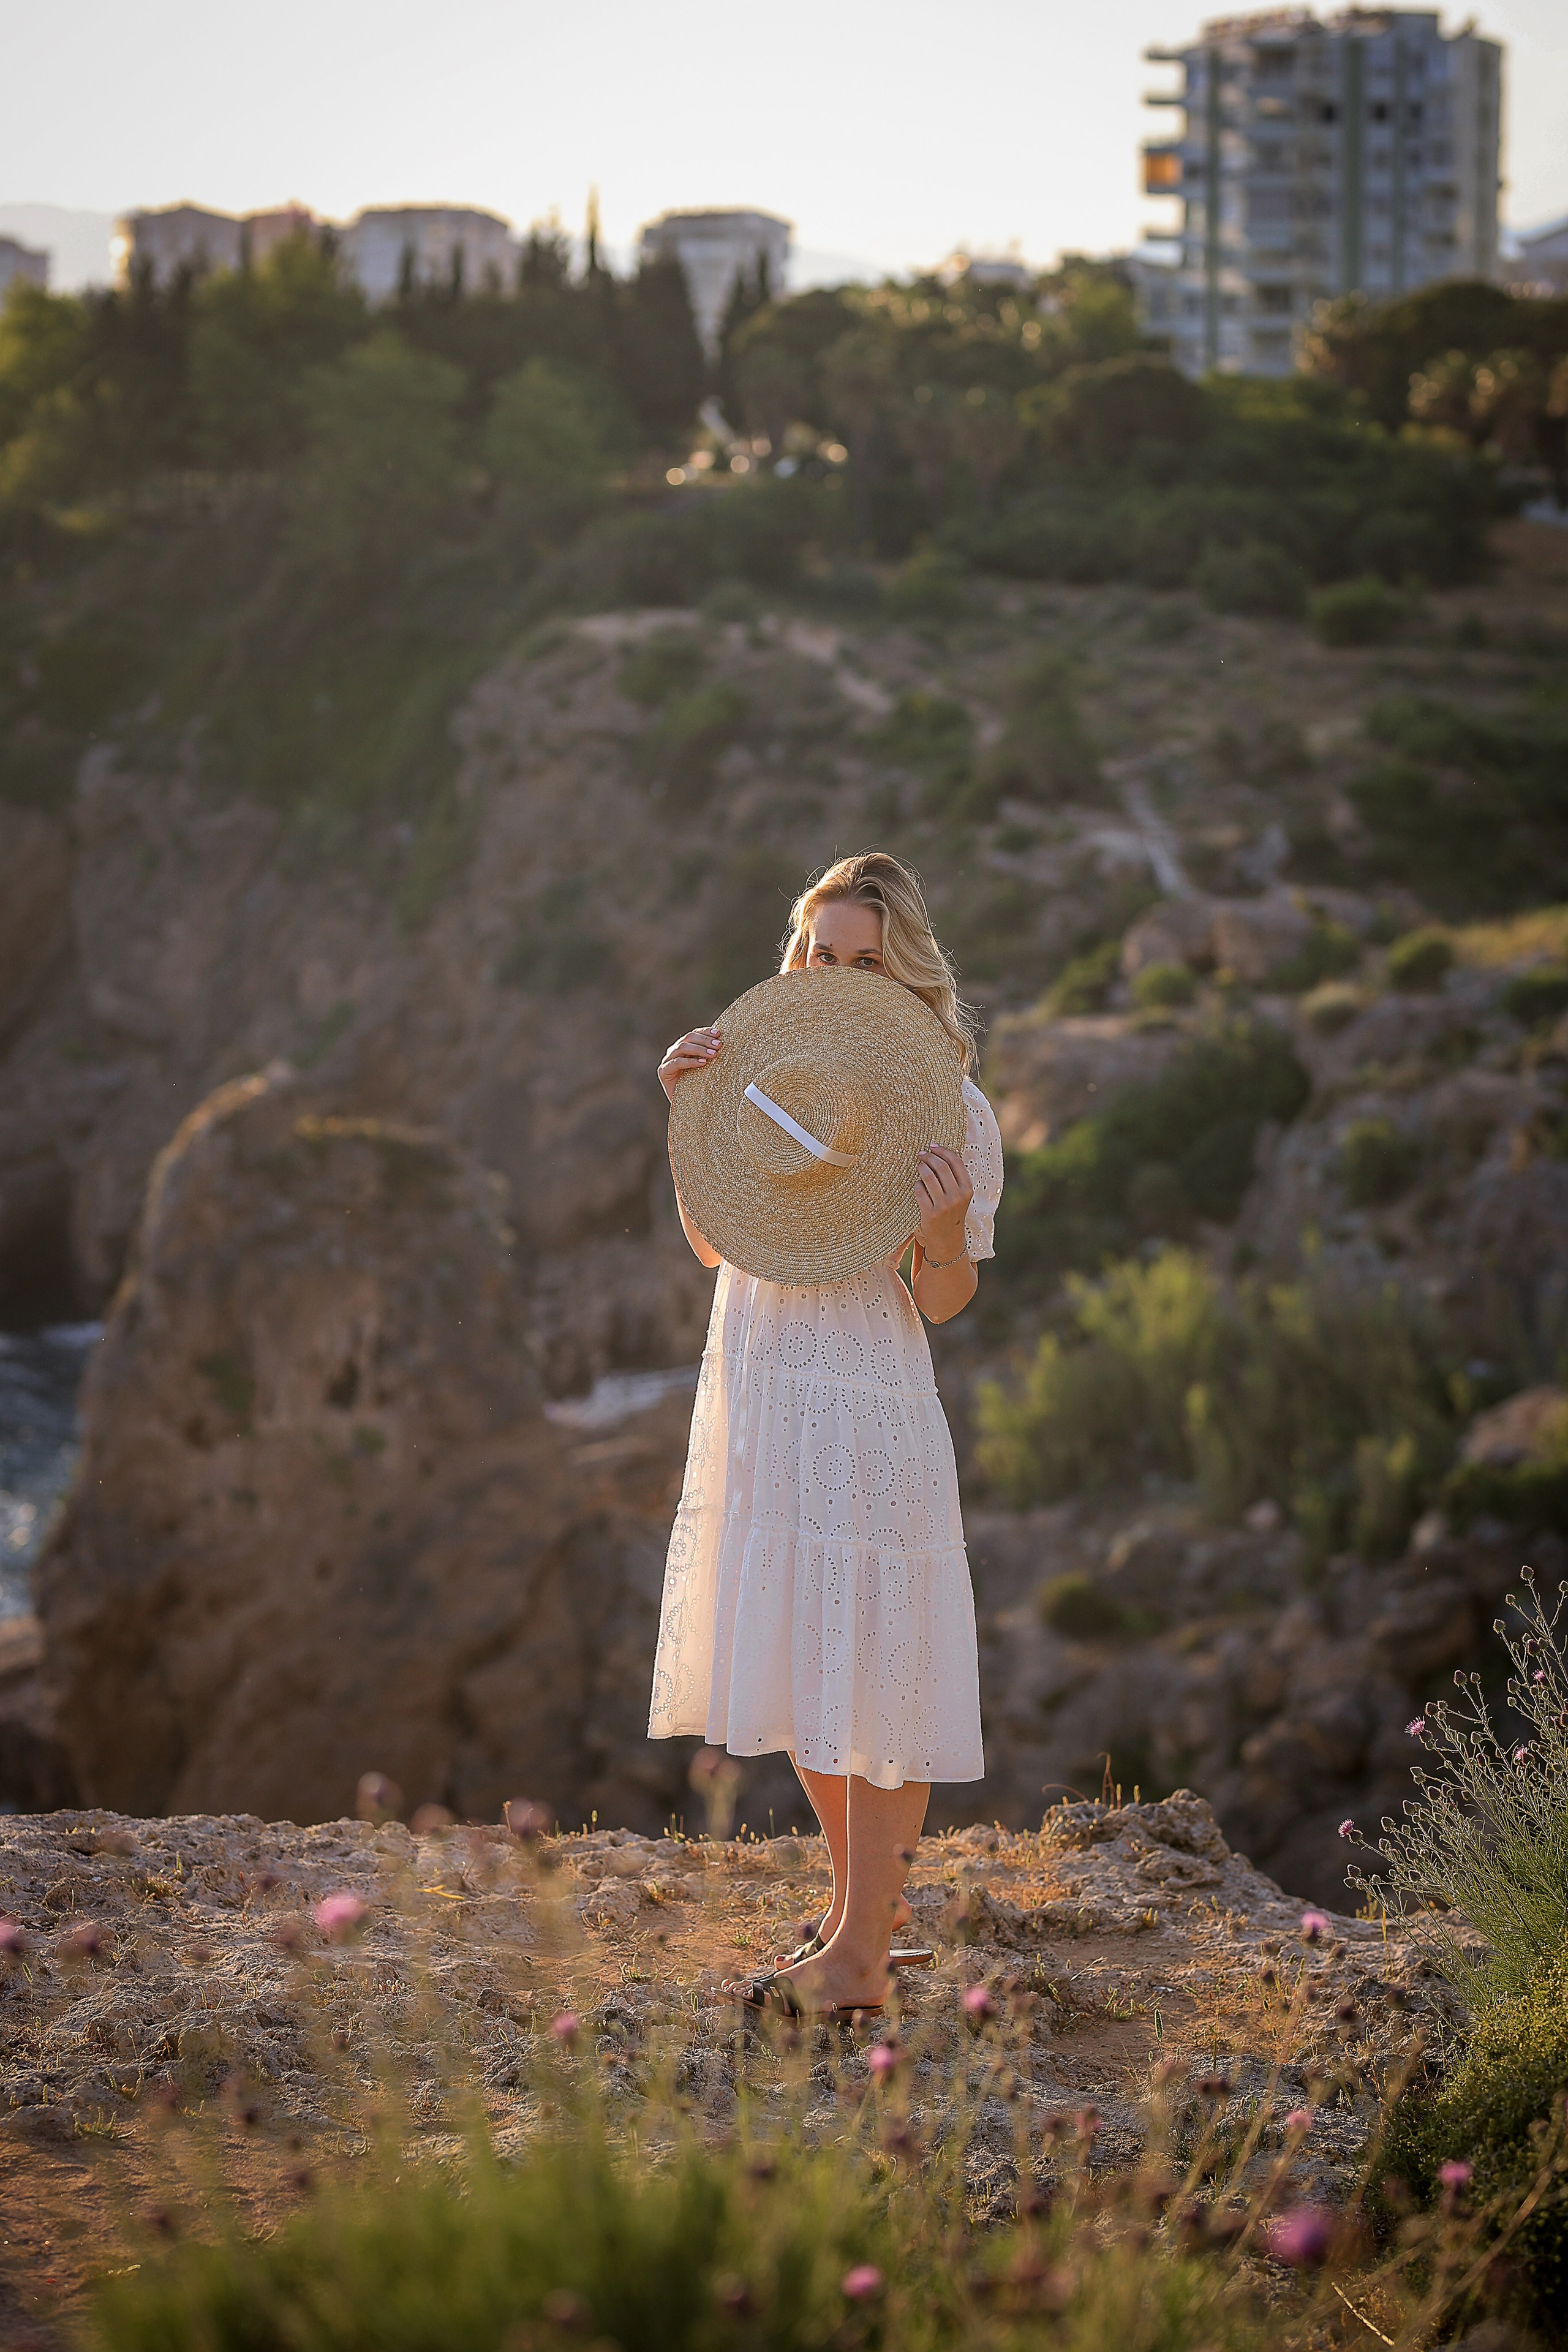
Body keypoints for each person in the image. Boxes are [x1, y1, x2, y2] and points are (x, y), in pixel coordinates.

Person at [648, 851, 1003, 2019]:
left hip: (864, 1391)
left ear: (905, 972)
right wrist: (688, 1117)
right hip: (759, 1377)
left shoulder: (947, 1105)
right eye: (821, 953)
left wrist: (945, 1225)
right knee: (810, 1660)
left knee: (878, 1665)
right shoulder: (754, 1074)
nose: (840, 974)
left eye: (867, 958)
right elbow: (714, 1243)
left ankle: (856, 1952)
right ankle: (864, 1920)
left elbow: (944, 1300)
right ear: (793, 960)